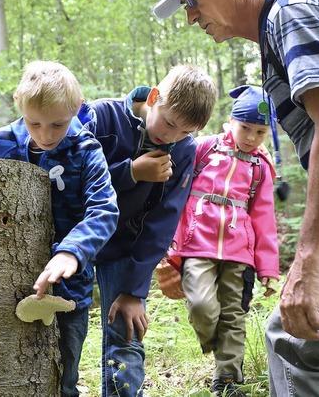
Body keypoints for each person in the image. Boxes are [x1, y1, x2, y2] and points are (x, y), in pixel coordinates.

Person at [152, 0, 319, 395]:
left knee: (295, 338)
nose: (191, 17)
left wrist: (307, 258)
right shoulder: (279, 34)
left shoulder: (291, 12)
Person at [77, 64, 217, 397]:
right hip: (73, 240)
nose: (171, 136)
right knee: (64, 332)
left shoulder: (183, 151)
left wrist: (134, 290)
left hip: (126, 249)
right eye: (169, 123)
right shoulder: (102, 118)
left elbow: (163, 221)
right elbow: (70, 181)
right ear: (154, 97)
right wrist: (131, 173)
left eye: (185, 132)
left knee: (126, 335)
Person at [0, 60, 119, 397]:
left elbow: (104, 209)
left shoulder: (86, 151)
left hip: (70, 287)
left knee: (63, 372)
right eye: (34, 123)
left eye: (58, 124)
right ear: (21, 108)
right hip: (9, 281)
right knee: (4, 367)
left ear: (75, 110)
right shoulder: (1, 144)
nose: (45, 135)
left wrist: (72, 252)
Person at [167, 85, 279, 396]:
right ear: (230, 121)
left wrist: (268, 267)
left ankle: (228, 380)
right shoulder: (203, 148)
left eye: (260, 132)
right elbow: (176, 190)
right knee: (203, 305)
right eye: (245, 128)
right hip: (196, 242)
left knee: (234, 313)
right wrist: (171, 242)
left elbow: (265, 219)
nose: (251, 138)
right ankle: (217, 344)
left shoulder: (260, 168)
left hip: (239, 250)